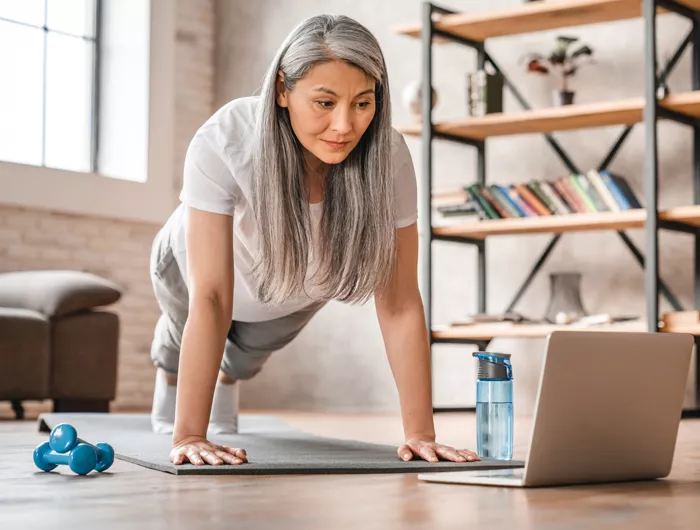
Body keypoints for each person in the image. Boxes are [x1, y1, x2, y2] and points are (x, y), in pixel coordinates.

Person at [148, 13, 480, 467]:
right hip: (190, 268)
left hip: (287, 283)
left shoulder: (390, 159)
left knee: (243, 358)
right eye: (324, 103)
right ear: (283, 90)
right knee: (182, 322)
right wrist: (189, 434)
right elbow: (210, 297)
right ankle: (171, 370)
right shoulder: (227, 138)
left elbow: (400, 301)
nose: (344, 126)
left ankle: (229, 377)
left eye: (362, 103)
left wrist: (420, 434)